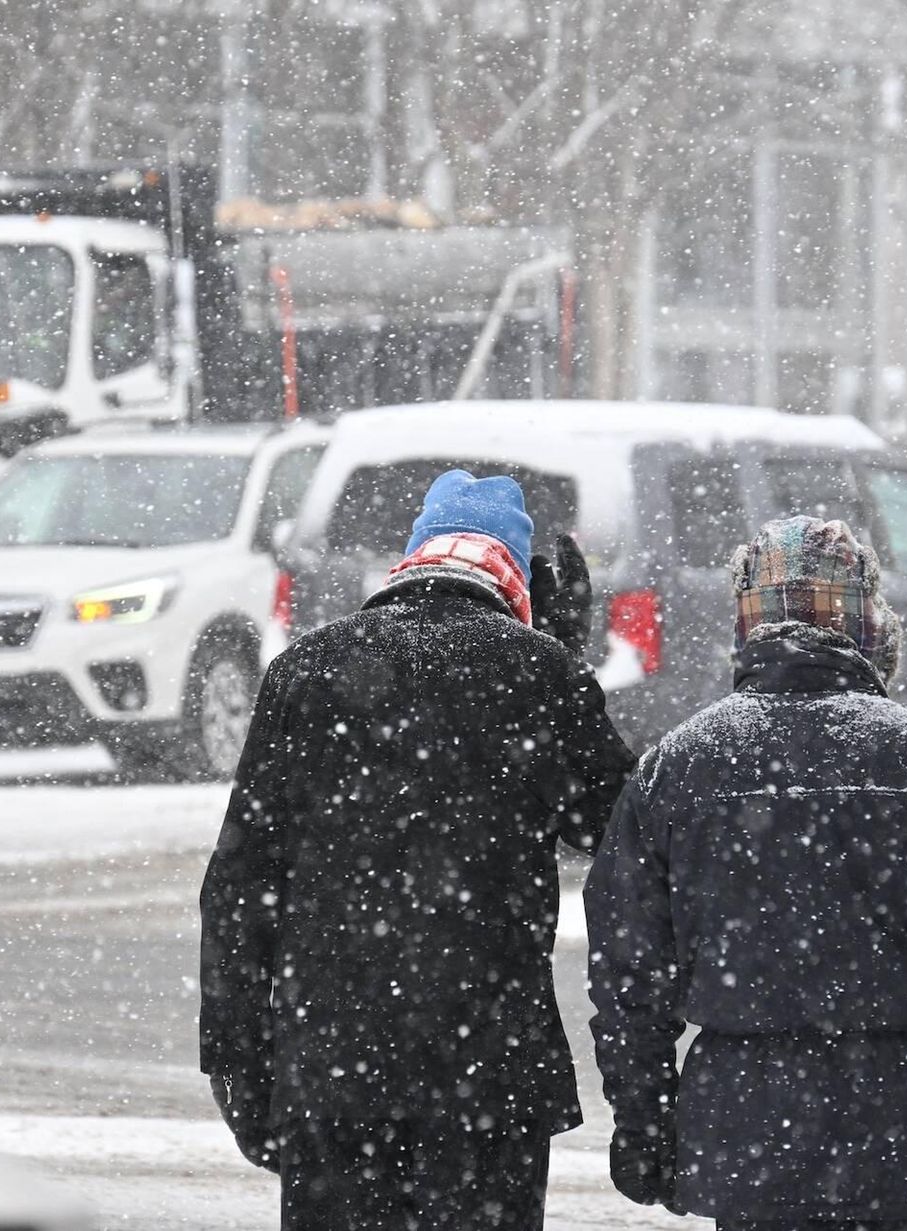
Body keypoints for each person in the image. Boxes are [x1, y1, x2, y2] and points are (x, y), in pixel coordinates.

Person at [585, 515, 907, 1231]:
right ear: (869, 623)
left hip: (749, 1132)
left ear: (746, 624)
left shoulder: (679, 767)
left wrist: (644, 1120)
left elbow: (629, 972)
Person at [201, 469, 636, 1230]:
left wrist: (238, 1058)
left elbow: (239, 888)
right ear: (517, 575)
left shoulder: (306, 671)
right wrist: (562, 652)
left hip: (334, 1071)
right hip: (487, 1078)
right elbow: (612, 827)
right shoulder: (537, 674)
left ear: (414, 557)